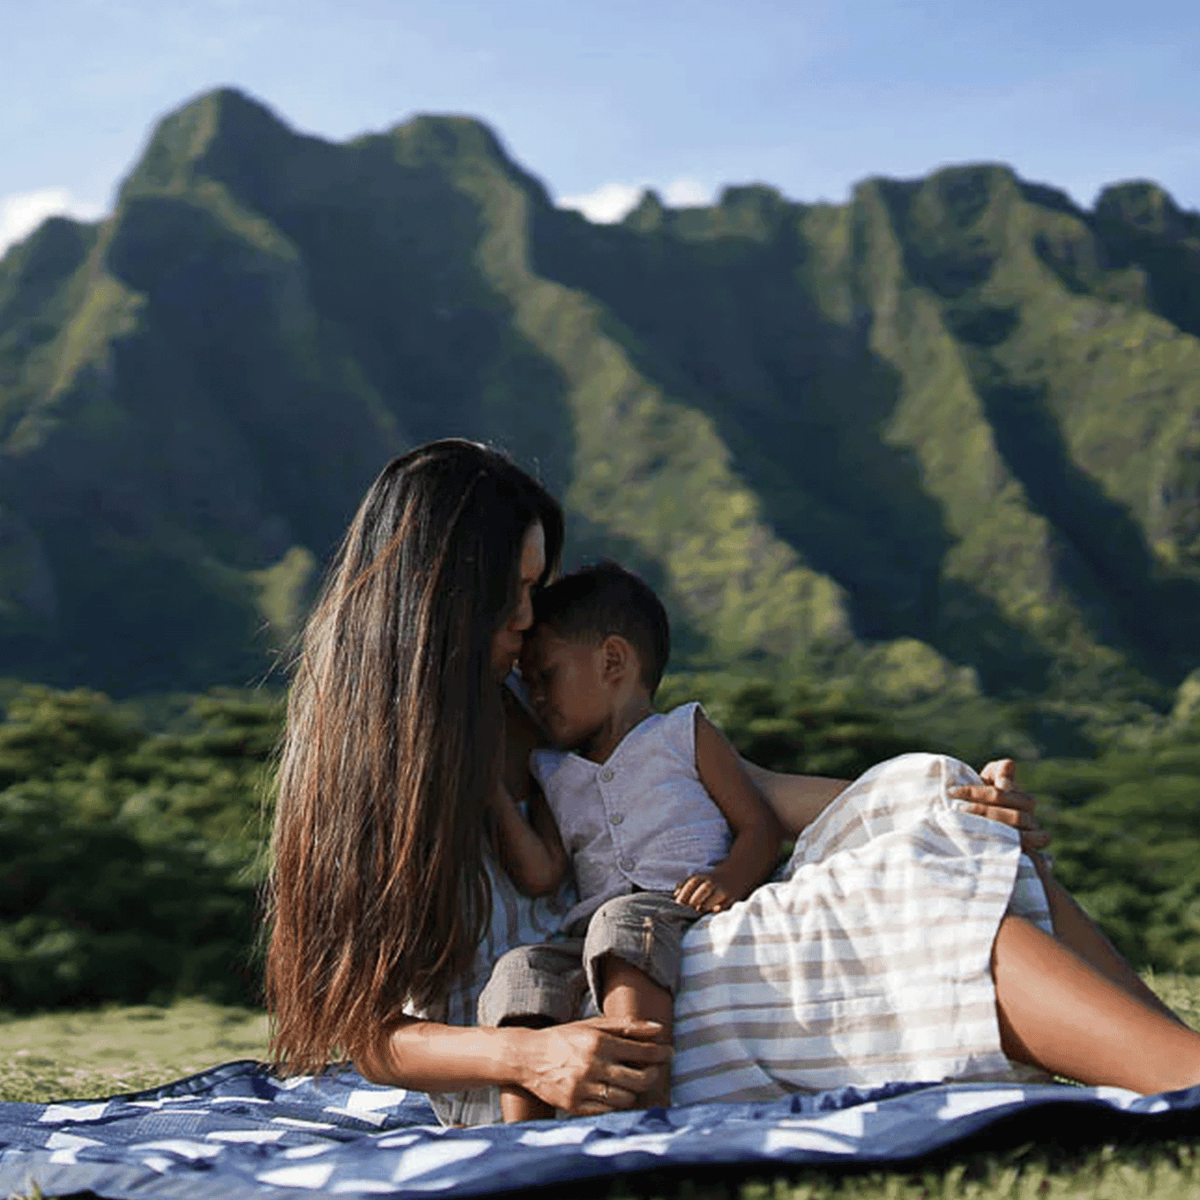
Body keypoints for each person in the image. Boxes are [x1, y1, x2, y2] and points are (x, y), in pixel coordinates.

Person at [266, 439, 1200, 1128]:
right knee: (880, 911)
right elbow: (369, 1037)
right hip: (554, 1038)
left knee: (931, 801)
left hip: (658, 946)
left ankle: (1175, 1074)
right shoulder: (362, 767)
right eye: (510, 592)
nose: (526, 618)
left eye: (533, 589)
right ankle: (1179, 1077)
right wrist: (533, 1054)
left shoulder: (522, 703)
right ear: (441, 594)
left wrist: (958, 808)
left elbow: (747, 791)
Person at [478, 562, 785, 1119]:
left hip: (678, 905)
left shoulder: (683, 734)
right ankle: (518, 1138)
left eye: (546, 677)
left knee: (623, 921)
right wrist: (493, 793)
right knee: (521, 967)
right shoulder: (554, 772)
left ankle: (640, 1104)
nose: (536, 698)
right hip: (592, 929)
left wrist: (727, 881)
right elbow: (543, 873)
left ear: (613, 661)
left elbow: (760, 826)